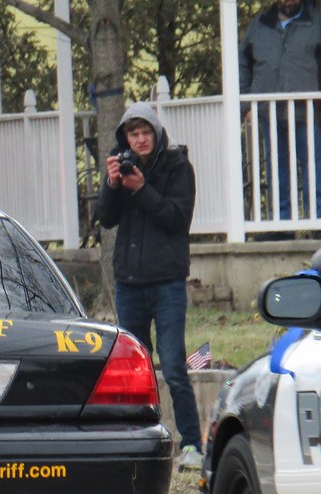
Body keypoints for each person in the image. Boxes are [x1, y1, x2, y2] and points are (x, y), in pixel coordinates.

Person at [95, 102, 202, 471]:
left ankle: (192, 444)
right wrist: (113, 185)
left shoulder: (177, 166)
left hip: (167, 282)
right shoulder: (120, 164)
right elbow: (105, 218)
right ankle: (137, 441)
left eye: (145, 133)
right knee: (132, 369)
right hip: (129, 283)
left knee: (172, 366)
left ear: (156, 134)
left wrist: (141, 189)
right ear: (125, 137)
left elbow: (177, 218)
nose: (140, 140)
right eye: (133, 133)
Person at [239, 0, 321, 234]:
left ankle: (320, 224)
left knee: (316, 168)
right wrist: (247, 104)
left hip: (310, 113)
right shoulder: (259, 26)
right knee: (276, 170)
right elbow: (241, 66)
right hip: (270, 113)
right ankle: (281, 225)